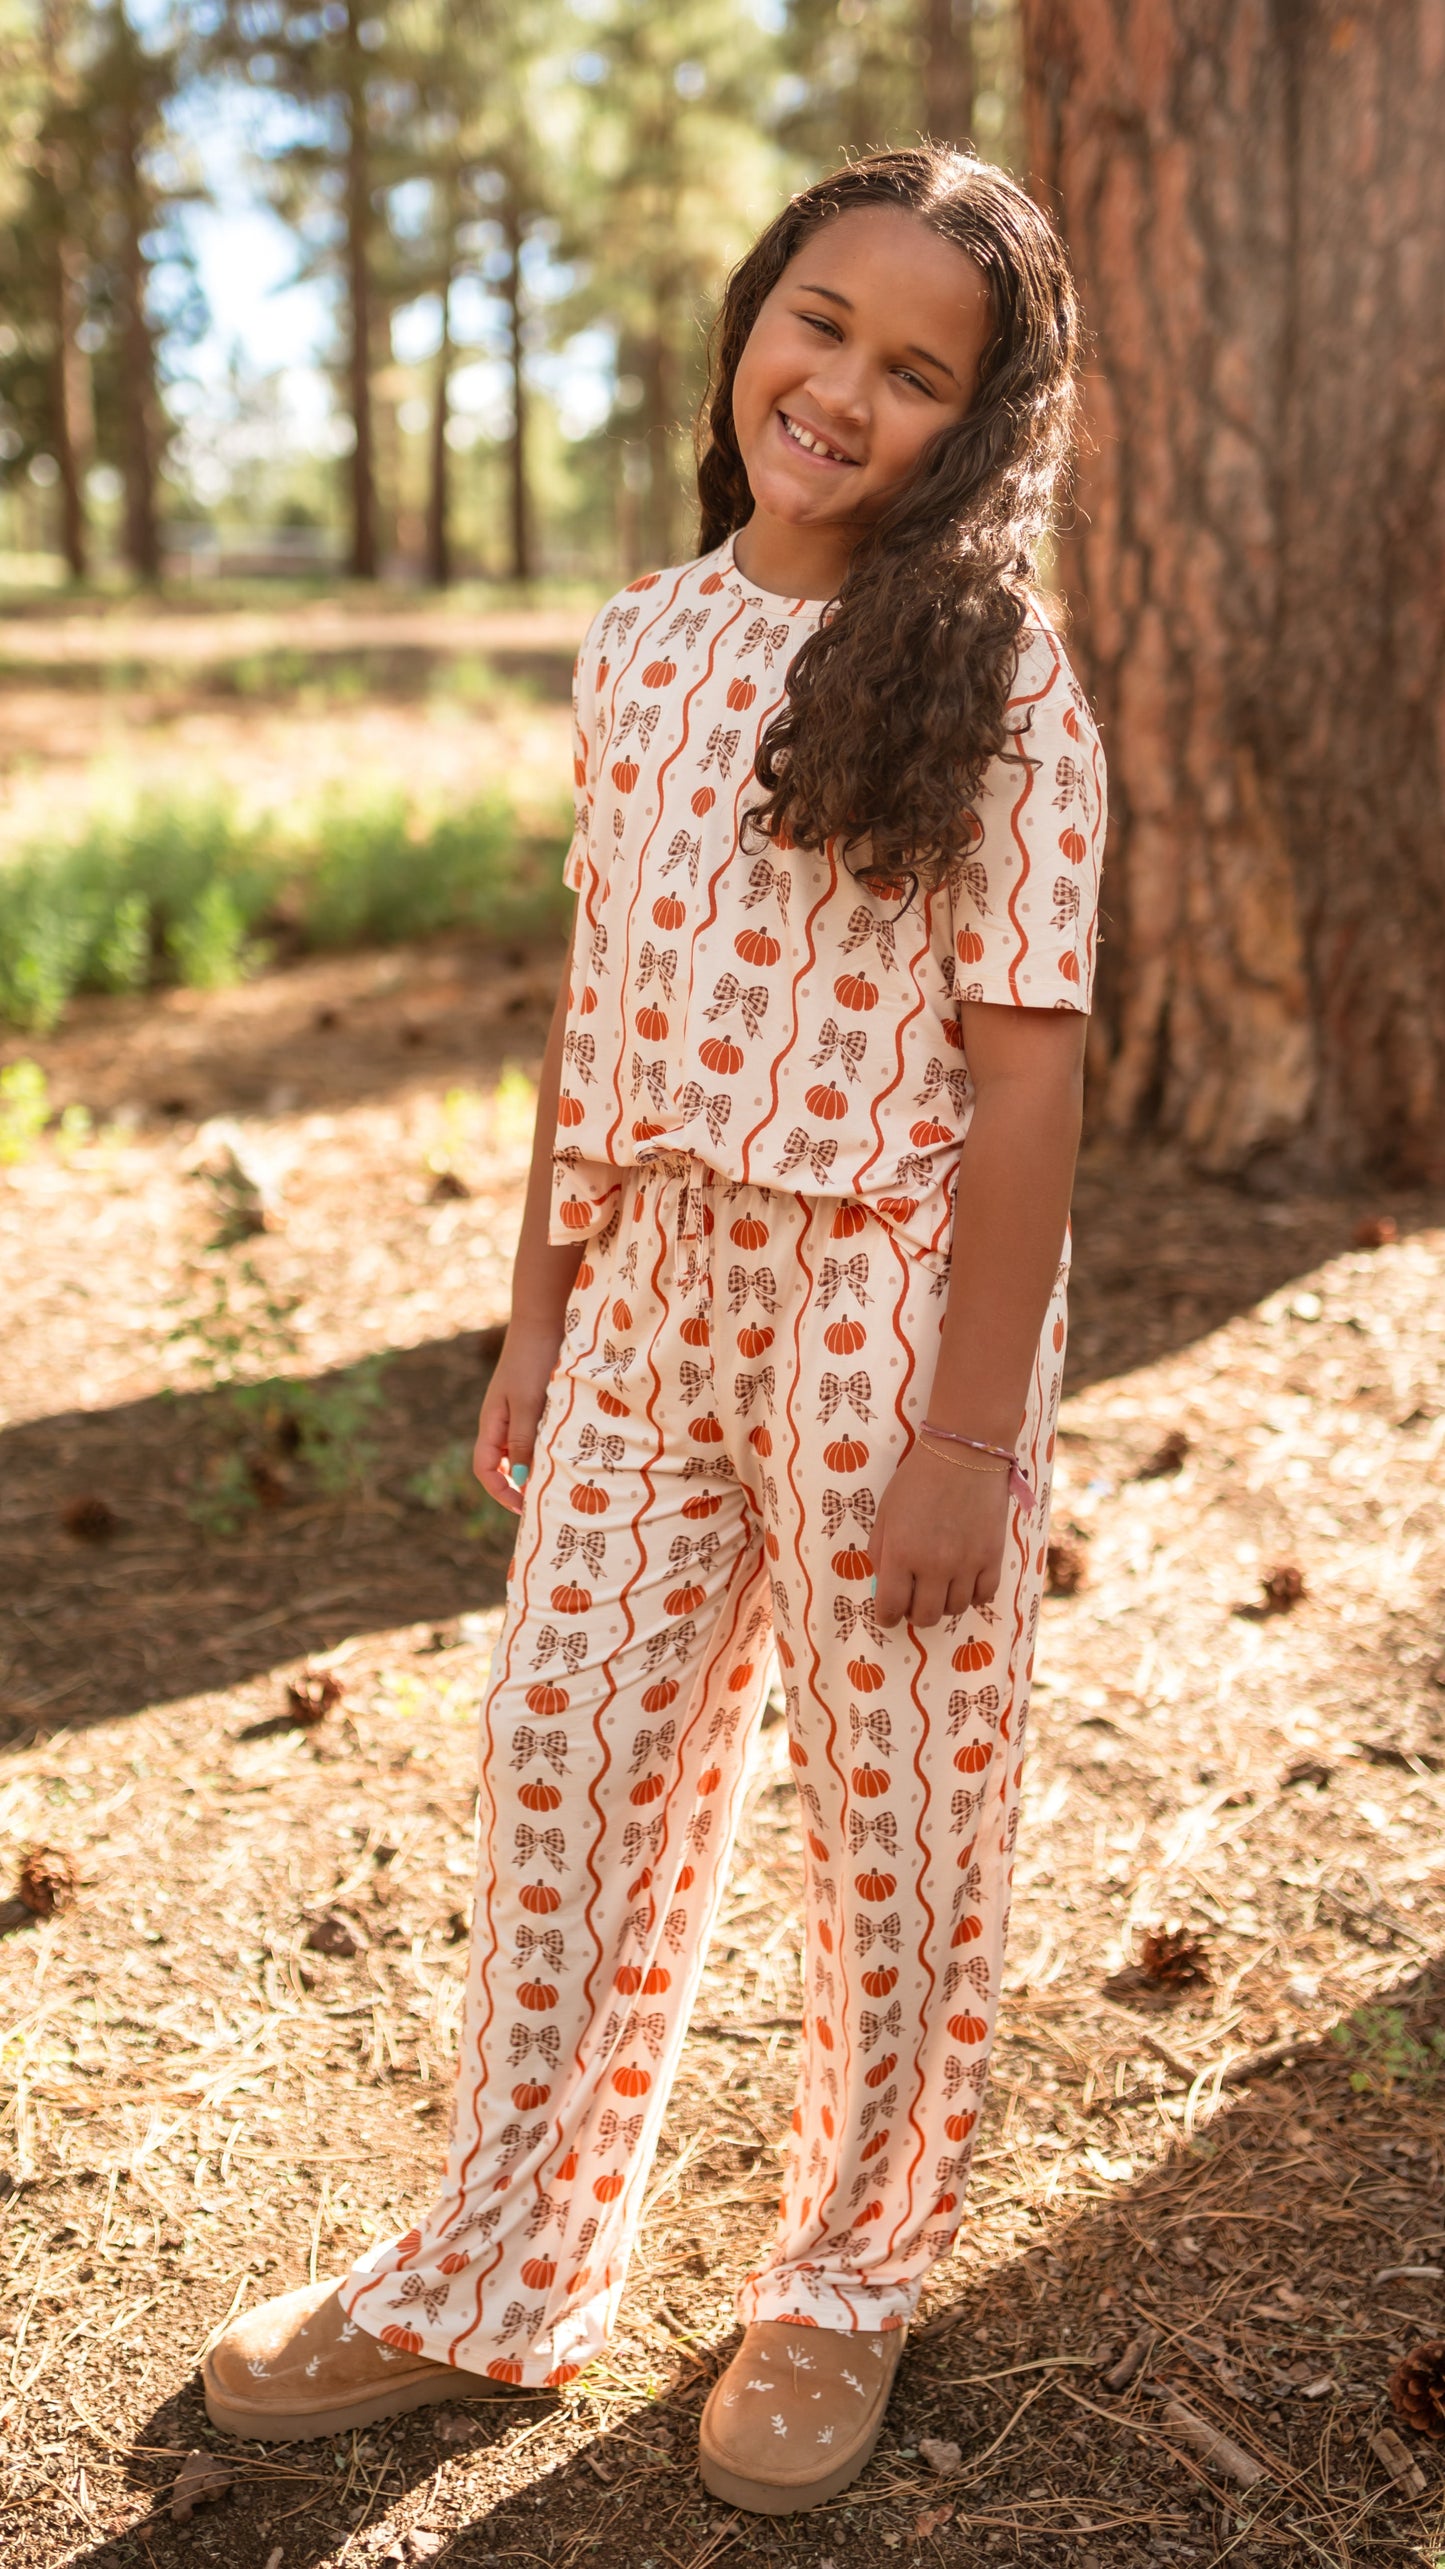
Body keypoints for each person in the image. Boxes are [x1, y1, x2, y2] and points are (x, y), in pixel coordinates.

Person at [202, 143, 1105, 2516]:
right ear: (748, 320)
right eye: (821, 322)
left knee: (898, 1815)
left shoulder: (995, 674)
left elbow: (1029, 1078)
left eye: (918, 372)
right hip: (651, 1289)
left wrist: (970, 1436)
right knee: (569, 1751)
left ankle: (848, 2272)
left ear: (979, 428)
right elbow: (596, 1002)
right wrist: (539, 1304)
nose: (845, 390)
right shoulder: (641, 641)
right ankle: (499, 2264)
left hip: (887, 1299)